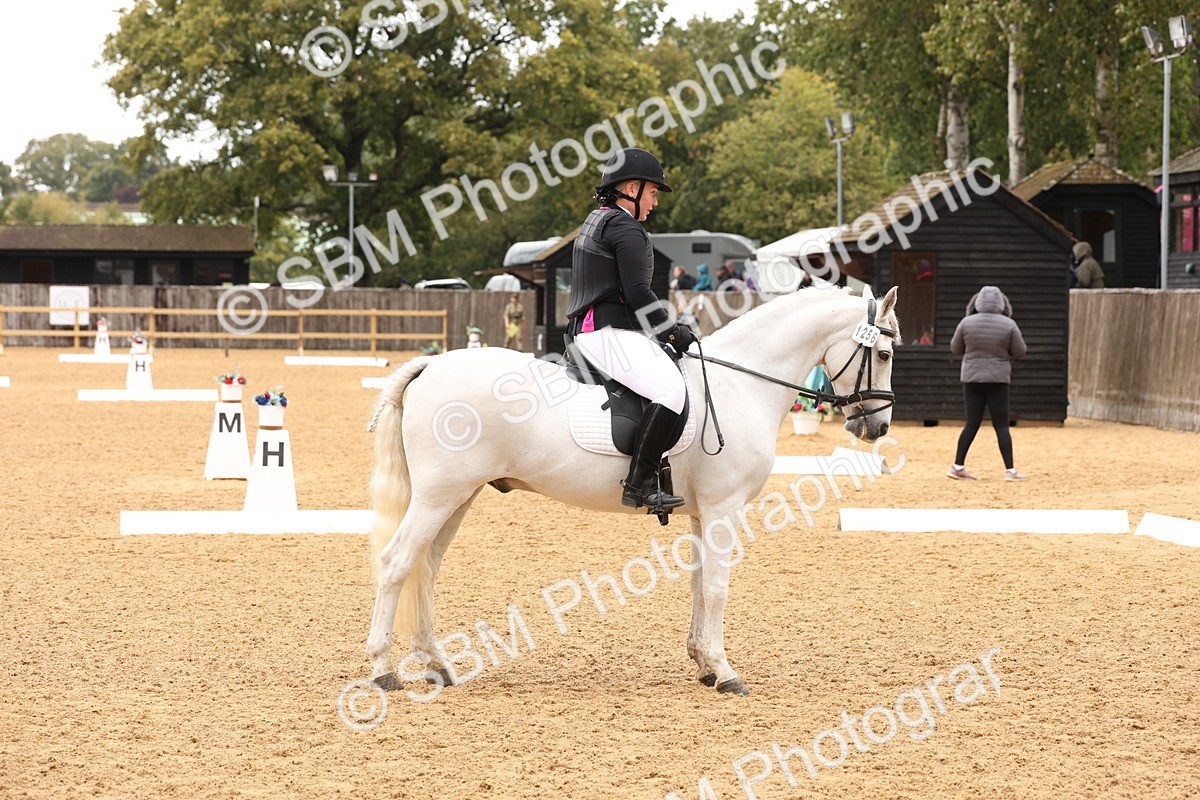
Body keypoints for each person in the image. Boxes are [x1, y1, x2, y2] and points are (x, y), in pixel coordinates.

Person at [565, 147, 696, 510]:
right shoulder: (625, 227)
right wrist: (671, 332)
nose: (655, 202)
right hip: (606, 334)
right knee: (671, 390)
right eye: (652, 192)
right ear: (632, 188)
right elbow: (638, 292)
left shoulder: (598, 219)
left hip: (591, 330)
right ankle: (641, 482)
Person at [948, 286, 1028, 481]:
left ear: (977, 302)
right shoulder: (1009, 324)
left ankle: (957, 466)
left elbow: (955, 348)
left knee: (971, 423)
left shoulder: (966, 322)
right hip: (998, 380)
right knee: (1001, 426)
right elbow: (1020, 351)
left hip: (971, 379)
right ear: (1002, 303)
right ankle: (1010, 471)